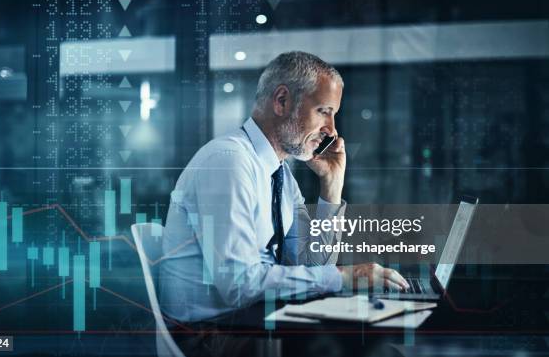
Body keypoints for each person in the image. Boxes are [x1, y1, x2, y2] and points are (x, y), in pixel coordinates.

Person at [159, 51, 409, 325]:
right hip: (209, 336)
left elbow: (313, 268)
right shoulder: (228, 163)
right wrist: (346, 276)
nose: (332, 130)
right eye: (323, 112)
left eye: (334, 115)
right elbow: (239, 286)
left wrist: (331, 187)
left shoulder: (281, 175)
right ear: (281, 101)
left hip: (250, 321)